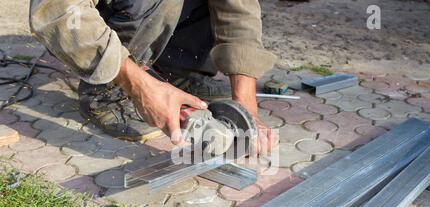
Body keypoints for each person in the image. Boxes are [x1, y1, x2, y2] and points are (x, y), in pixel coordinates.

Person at [29, 0, 278, 154]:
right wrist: (139, 86)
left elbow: (238, 8)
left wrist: (244, 105)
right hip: (90, 19)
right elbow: (57, 10)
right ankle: (108, 89)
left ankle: (177, 73)